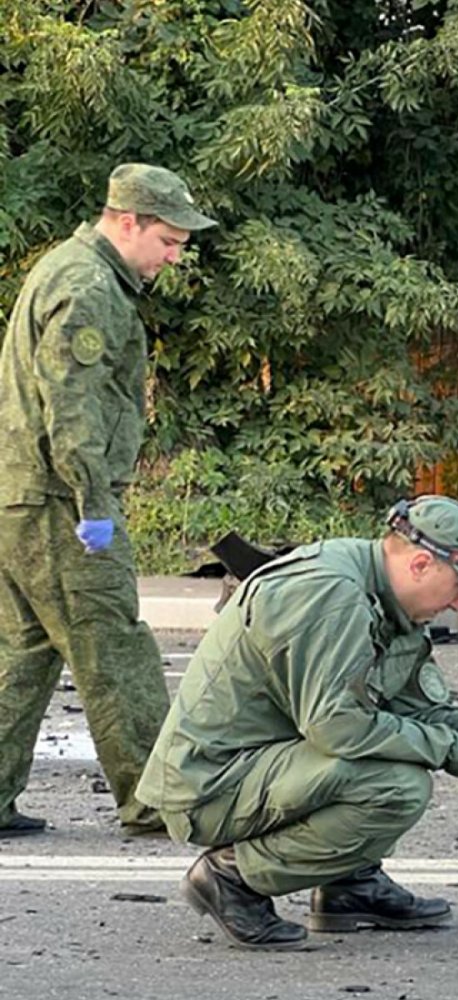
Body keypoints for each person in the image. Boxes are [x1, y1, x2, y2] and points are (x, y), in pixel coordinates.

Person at [137, 495, 458, 950]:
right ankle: (232, 877)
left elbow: (410, 709)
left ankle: (349, 884)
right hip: (210, 784)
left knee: (392, 757)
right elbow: (338, 727)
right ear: (422, 564)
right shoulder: (333, 594)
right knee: (396, 786)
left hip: (264, 764)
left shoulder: (387, 598)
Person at [0, 163, 216, 839]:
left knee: (24, 653)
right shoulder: (90, 285)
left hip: (24, 497)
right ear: (129, 222)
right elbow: (73, 405)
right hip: (62, 503)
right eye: (170, 240)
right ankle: (158, 799)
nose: (175, 256)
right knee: (115, 649)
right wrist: (93, 502)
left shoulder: (68, 269)